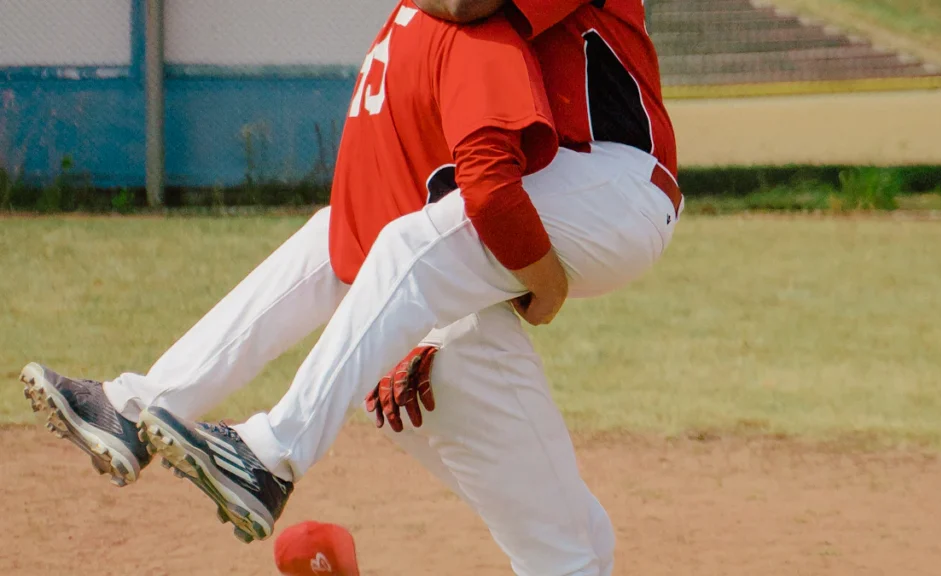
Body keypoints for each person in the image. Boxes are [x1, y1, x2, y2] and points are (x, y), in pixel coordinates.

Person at [21, 1, 678, 574]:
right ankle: (137, 407)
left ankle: (269, 454)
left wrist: (540, 286)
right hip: (537, 218)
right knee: (339, 235)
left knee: (401, 247)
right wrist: (431, 324)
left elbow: (465, 13)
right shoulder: (433, 34)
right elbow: (372, 228)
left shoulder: (458, 25)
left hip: (621, 184)